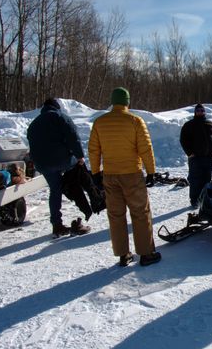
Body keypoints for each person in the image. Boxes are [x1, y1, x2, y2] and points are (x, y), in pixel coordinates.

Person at [88, 87, 161, 267]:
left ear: (113, 102)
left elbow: (94, 150)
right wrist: (151, 171)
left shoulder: (100, 122)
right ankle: (146, 253)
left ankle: (123, 254)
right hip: (132, 175)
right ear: (128, 102)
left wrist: (96, 173)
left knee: (116, 215)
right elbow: (145, 148)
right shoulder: (135, 121)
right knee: (140, 213)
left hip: (110, 176)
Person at [27, 98, 90, 236]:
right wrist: (79, 156)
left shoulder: (34, 123)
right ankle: (90, 197)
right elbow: (73, 137)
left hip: (42, 164)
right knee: (79, 170)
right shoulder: (60, 117)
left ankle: (57, 225)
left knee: (55, 190)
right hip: (61, 160)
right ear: (56, 107)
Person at [179, 103, 212, 207]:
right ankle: (194, 200)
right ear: (195, 112)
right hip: (195, 158)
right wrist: (189, 153)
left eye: (202, 110)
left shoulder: (210, 124)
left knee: (207, 179)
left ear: (204, 112)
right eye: (198, 111)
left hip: (209, 157)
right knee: (195, 180)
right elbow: (183, 140)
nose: (200, 112)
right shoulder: (189, 125)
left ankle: (204, 199)